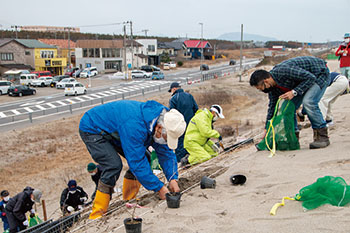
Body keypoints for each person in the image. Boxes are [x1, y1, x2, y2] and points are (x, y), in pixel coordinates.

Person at [79, 100, 186, 219]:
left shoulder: (163, 120)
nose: (165, 141)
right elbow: (137, 163)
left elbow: (166, 153)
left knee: (146, 157)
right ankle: (97, 213)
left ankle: (129, 199)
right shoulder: (135, 125)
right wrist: (159, 188)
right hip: (93, 128)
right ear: (159, 128)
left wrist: (173, 179)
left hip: (117, 129)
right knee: (113, 165)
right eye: (166, 138)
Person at [250, 56, 330, 149]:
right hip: (302, 81)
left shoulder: (284, 71)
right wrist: (267, 128)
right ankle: (293, 138)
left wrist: (294, 92)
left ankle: (322, 137)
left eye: (261, 88)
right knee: (288, 107)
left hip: (319, 74)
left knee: (308, 102)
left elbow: (310, 78)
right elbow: (272, 108)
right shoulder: (272, 89)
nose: (262, 91)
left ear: (266, 81)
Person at [168, 82, 199, 162]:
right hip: (191, 124)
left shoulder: (174, 98)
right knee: (190, 141)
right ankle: (191, 158)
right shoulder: (189, 96)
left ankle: (181, 161)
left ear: (174, 89)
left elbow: (172, 114)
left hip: (180, 125)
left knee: (180, 144)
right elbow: (196, 109)